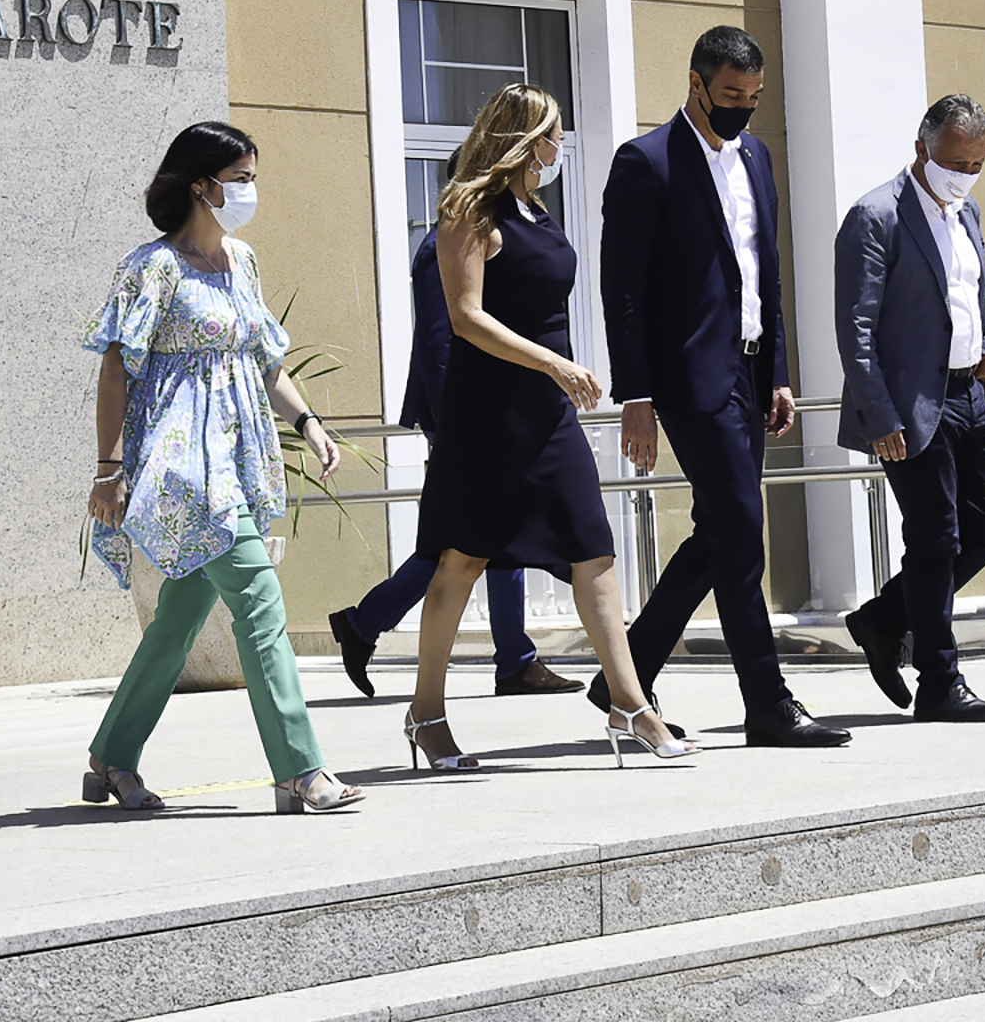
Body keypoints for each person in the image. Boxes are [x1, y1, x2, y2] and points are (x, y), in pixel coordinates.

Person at [404, 85, 695, 771]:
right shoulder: (467, 210)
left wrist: (557, 376)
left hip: (547, 414)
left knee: (592, 549)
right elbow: (466, 315)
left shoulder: (537, 209)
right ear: (527, 137)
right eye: (554, 133)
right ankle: (425, 714)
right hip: (487, 410)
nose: (560, 146)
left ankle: (630, 702)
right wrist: (557, 364)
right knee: (463, 559)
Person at [81, 121, 362, 814]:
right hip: (185, 468)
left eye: (251, 176)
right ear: (200, 184)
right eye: (238, 178)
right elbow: (117, 365)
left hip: (237, 460)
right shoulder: (153, 266)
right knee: (261, 607)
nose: (248, 190)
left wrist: (310, 422)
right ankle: (300, 771)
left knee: (176, 624)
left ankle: (110, 757)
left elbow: (265, 361)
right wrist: (108, 467)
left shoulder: (242, 260)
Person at [600, 27, 849, 749]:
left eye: (755, 97)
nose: (744, 107)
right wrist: (636, 395)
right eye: (732, 95)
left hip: (746, 370)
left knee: (721, 532)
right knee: (741, 528)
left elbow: (764, 275)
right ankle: (766, 703)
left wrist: (775, 372)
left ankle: (624, 675)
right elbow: (625, 291)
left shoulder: (758, 159)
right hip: (688, 377)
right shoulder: (645, 162)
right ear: (696, 83)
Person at [326, 151, 581, 701]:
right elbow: (446, 336)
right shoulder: (450, 241)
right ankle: (379, 625)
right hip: (465, 415)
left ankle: (504, 654)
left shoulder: (508, 229)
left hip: (495, 412)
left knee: (481, 539)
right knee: (469, 541)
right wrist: (456, 419)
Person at [836, 95, 985, 722]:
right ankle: (939, 682)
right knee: (935, 537)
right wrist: (879, 414)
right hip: (910, 405)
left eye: (976, 164)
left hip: (971, 393)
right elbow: (855, 329)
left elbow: (979, 295)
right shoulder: (876, 215)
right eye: (954, 162)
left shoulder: (965, 215)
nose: (964, 174)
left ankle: (884, 619)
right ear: (922, 148)